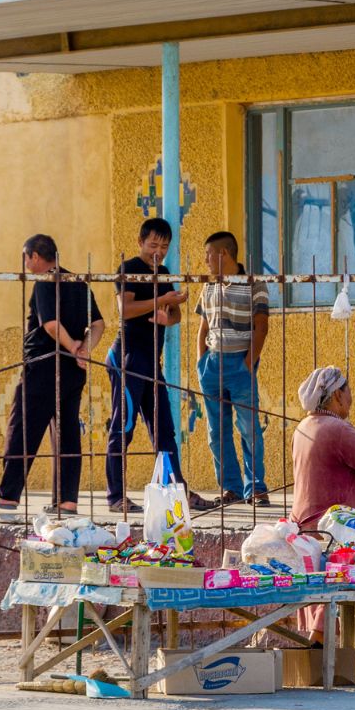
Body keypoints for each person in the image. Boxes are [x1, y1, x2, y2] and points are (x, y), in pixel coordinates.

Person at [0, 234, 103, 515]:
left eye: (26, 257)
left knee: (22, 429)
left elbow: (50, 324)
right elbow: (98, 323)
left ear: (34, 256)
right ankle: (66, 501)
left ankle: (7, 495)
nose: (25, 263)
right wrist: (85, 350)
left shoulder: (46, 280)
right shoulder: (78, 282)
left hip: (44, 367)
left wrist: (72, 348)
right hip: (72, 373)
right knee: (67, 433)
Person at [106, 218, 197, 514]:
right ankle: (116, 496)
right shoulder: (129, 268)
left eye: (164, 246)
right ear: (140, 242)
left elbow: (176, 316)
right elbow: (125, 309)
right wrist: (161, 299)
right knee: (123, 427)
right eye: (153, 245)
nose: (158, 251)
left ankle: (176, 489)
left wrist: (166, 314)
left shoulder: (165, 272)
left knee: (164, 429)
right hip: (128, 358)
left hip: (151, 360)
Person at [195, 231, 270, 507]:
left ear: (222, 254)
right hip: (212, 364)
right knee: (217, 432)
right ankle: (232, 488)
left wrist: (248, 364)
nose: (205, 261)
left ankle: (256, 488)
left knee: (249, 428)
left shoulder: (254, 284)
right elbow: (203, 327)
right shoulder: (209, 286)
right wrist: (201, 362)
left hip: (240, 364)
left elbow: (261, 326)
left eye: (207, 255)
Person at [291, 366, 355, 530]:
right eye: (348, 390)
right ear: (338, 395)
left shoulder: (301, 427)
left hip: (301, 528)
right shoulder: (339, 429)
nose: (351, 397)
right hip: (331, 530)